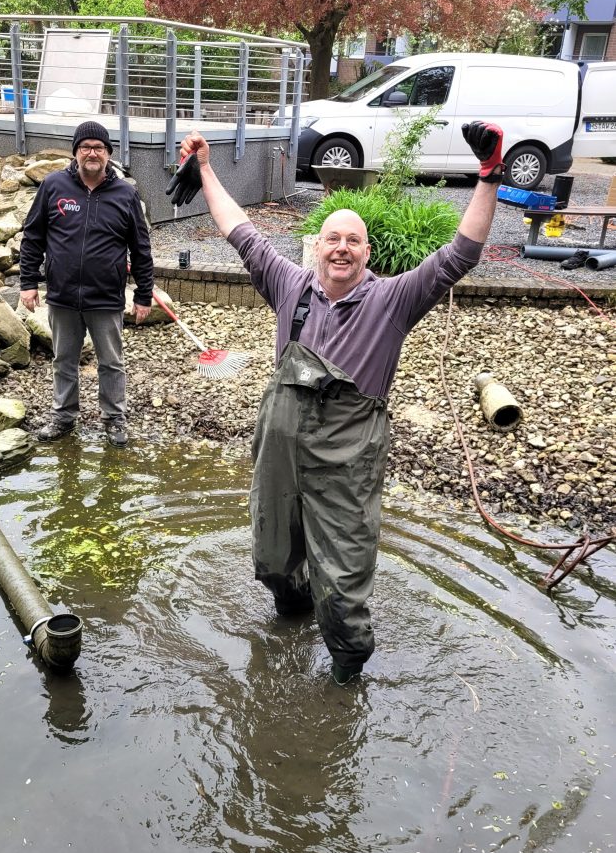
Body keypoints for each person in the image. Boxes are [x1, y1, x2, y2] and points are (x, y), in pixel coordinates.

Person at [171, 122, 504, 684]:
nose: (342, 247)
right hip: (281, 454)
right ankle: (291, 622)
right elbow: (239, 229)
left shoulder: (394, 300)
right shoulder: (288, 286)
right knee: (275, 564)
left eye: (353, 240)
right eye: (333, 238)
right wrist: (204, 167)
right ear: (317, 247)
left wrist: (489, 176)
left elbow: (460, 255)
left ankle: (345, 685)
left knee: (344, 594)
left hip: (346, 464)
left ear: (366, 252)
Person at [19, 121, 154, 447]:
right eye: (85, 147)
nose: (92, 153)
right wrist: (28, 281)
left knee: (111, 362)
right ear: (76, 152)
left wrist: (144, 293)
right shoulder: (53, 186)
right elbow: (32, 237)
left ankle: (114, 420)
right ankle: (63, 417)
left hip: (105, 296)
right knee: (63, 360)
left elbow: (141, 246)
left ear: (108, 153)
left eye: (98, 147)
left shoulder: (125, 193)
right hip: (63, 295)